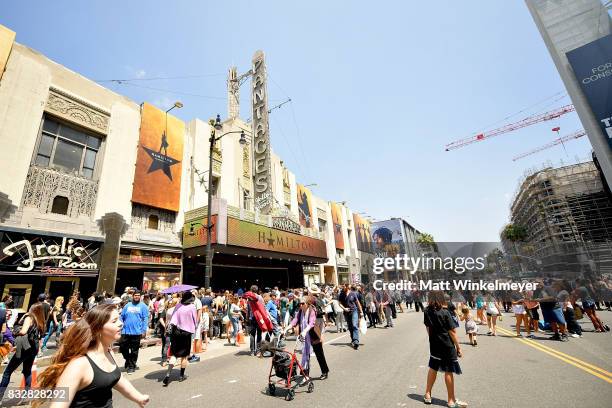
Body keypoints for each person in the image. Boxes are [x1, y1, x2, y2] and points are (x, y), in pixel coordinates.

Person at [35, 304, 149, 408]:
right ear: (98, 328)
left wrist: (138, 398)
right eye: (114, 321)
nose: (121, 323)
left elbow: (117, 379)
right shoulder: (79, 365)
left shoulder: (109, 353)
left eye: (119, 319)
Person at [423, 291, 467, 408]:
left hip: (434, 344)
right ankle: (451, 400)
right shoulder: (445, 312)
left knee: (433, 367)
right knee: (448, 371)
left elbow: (428, 328)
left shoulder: (427, 311)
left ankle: (427, 395)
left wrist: (433, 338)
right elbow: (452, 332)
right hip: (447, 345)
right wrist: (458, 347)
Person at [0, 303, 46, 402]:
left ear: (32, 309)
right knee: (27, 371)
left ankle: (0, 395)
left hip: (25, 347)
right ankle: (26, 396)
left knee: (7, 372)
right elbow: (40, 336)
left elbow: (24, 331)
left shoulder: (30, 317)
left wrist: (15, 332)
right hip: (34, 348)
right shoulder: (41, 320)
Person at [285, 296, 329, 381]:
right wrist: (288, 327)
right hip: (305, 336)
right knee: (305, 354)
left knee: (319, 354)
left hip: (313, 334)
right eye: (299, 304)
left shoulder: (312, 310)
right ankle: (305, 373)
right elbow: (295, 319)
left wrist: (305, 331)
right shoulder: (300, 311)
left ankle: (325, 371)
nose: (300, 305)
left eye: (302, 303)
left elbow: (312, 323)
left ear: (308, 304)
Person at [163, 291, 198, 386]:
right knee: (184, 355)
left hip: (176, 332)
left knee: (174, 354)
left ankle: (167, 374)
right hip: (186, 333)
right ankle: (181, 375)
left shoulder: (178, 306)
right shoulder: (192, 307)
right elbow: (195, 320)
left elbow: (173, 320)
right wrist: (195, 327)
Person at [119, 291, 149, 374]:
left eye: (138, 295)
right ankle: (128, 360)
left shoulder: (143, 306)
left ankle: (131, 366)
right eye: (135, 295)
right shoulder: (127, 305)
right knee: (122, 347)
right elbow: (121, 316)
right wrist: (120, 325)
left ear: (140, 297)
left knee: (134, 350)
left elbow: (145, 319)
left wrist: (144, 330)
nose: (137, 297)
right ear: (132, 296)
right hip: (125, 331)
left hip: (137, 332)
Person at [346, 285, 363, 349]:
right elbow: (339, 303)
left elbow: (357, 302)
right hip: (347, 312)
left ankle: (356, 341)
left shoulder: (353, 294)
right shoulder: (342, 294)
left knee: (354, 325)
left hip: (354, 310)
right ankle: (353, 339)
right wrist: (344, 308)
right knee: (350, 327)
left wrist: (361, 312)